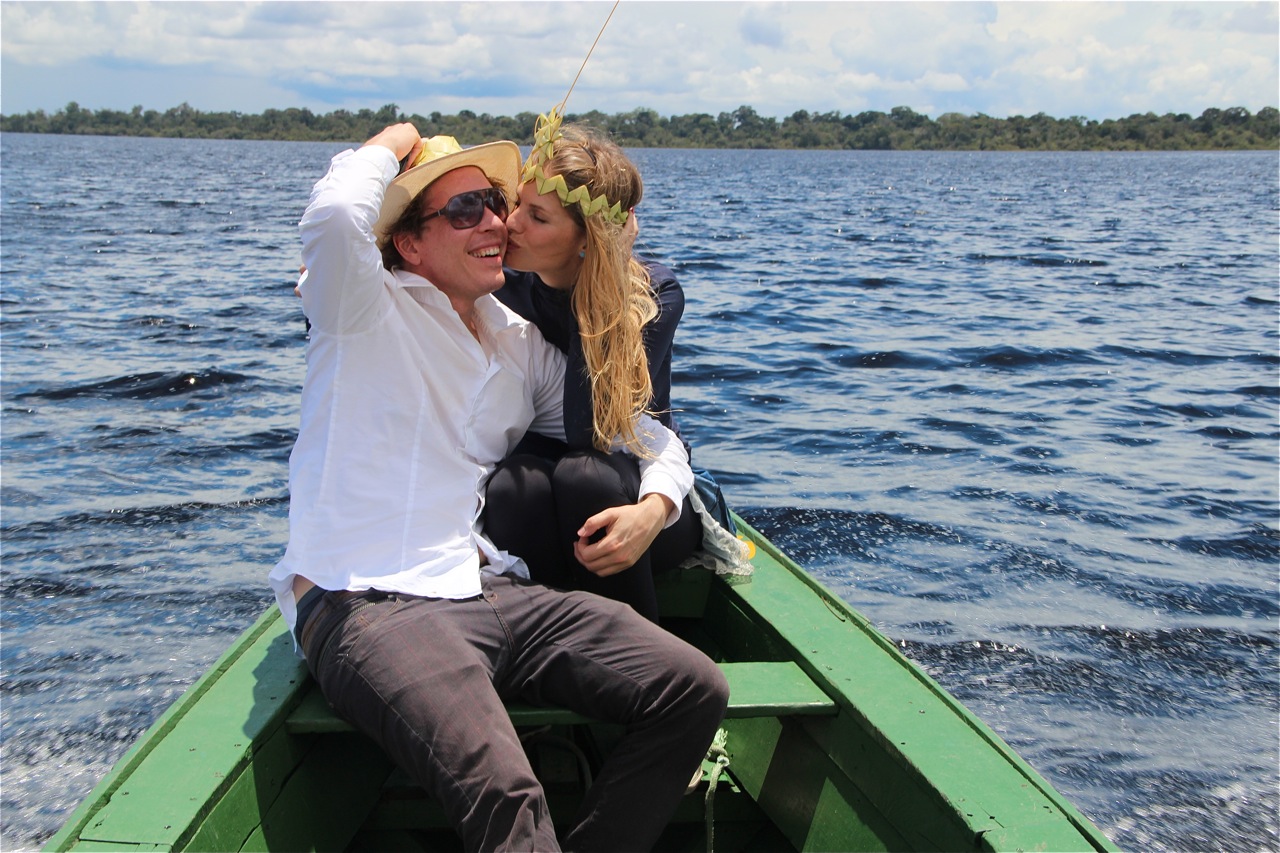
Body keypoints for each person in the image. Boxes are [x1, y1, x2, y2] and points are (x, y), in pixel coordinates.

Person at [269, 123, 729, 852]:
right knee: (510, 798)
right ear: (409, 243)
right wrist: (399, 137)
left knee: (691, 687)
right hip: (369, 600)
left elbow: (640, 434)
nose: (493, 222)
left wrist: (656, 504)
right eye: (463, 210)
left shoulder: (516, 342)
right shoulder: (361, 307)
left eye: (493, 202)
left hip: (485, 585)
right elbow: (335, 215)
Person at [485, 113, 750, 623]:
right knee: (512, 487)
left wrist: (599, 282)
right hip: (545, 484)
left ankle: (640, 655)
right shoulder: (502, 288)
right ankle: (544, 646)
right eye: (516, 204)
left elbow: (591, 430)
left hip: (643, 488)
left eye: (537, 217)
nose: (511, 224)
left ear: (588, 238)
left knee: (584, 474)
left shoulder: (653, 295)